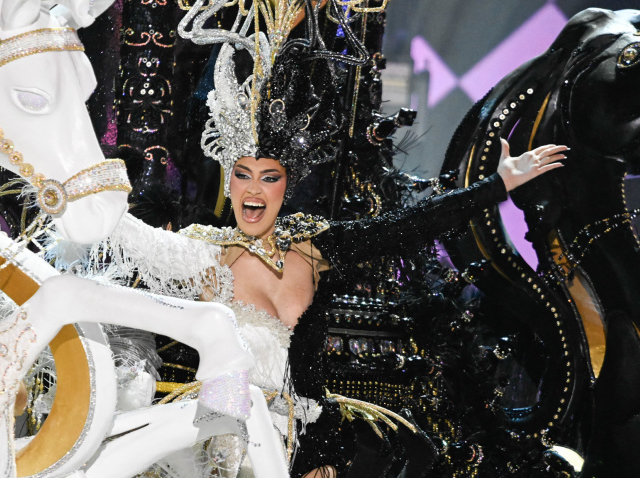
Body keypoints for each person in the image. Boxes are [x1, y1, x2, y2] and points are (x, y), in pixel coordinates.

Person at [89, 5, 566, 478]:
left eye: (269, 177)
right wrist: (74, 181)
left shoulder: (312, 247)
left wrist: (498, 184)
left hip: (298, 436)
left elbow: (409, 226)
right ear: (230, 183)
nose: (254, 189)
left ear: (285, 187)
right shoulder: (203, 251)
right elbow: (125, 235)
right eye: (243, 175)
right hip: (223, 428)